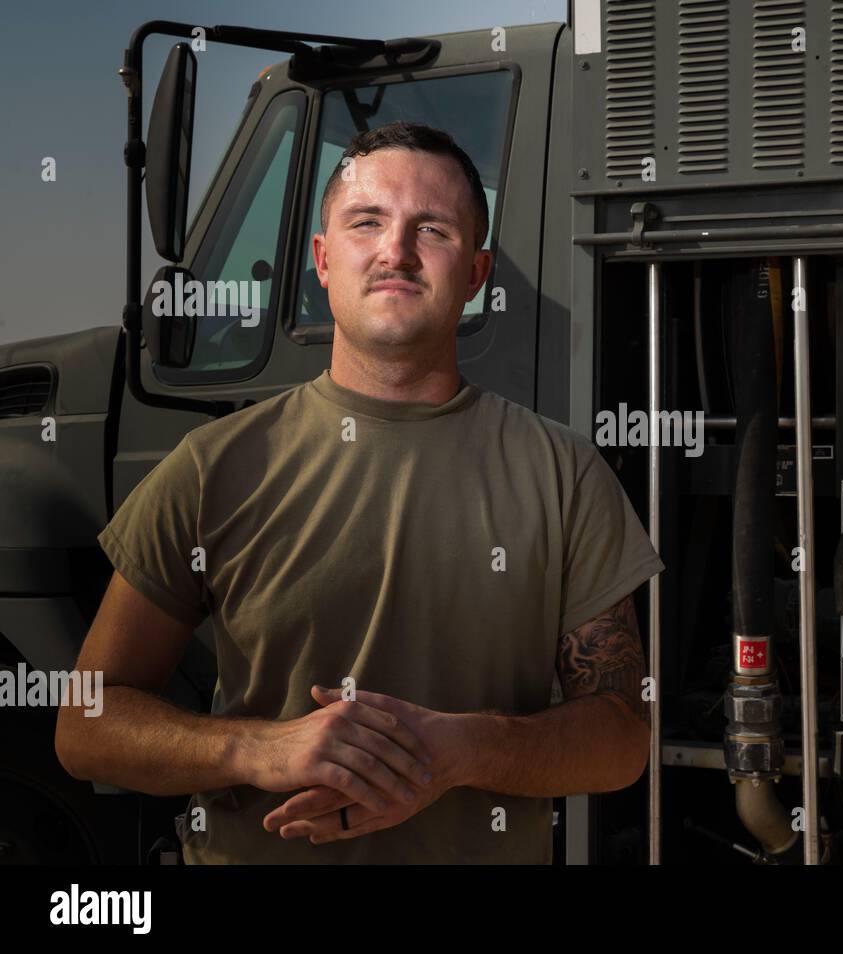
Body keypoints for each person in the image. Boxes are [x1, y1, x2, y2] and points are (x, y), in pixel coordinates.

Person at [54, 121, 664, 864]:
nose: (395, 251)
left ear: (475, 276)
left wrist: (463, 749)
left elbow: (622, 737)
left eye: (431, 229)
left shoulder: (564, 476)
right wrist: (260, 750)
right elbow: (84, 725)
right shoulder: (212, 468)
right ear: (321, 258)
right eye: (366, 222)